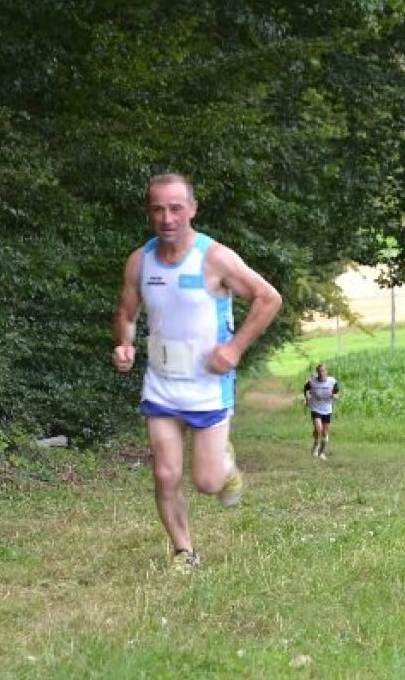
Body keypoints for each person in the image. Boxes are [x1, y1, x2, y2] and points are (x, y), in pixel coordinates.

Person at [112, 173, 282, 572]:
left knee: (208, 483)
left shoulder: (215, 258)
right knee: (165, 474)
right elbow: (126, 313)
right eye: (158, 209)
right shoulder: (140, 261)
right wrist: (124, 344)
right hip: (161, 385)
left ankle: (225, 466)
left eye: (176, 208)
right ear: (149, 212)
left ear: (192, 209)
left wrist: (234, 349)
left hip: (207, 385)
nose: (167, 218)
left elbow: (269, 298)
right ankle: (184, 552)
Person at [303, 363, 339, 460]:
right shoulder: (312, 382)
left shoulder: (332, 381)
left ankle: (321, 452)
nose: (321, 373)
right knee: (318, 429)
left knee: (324, 433)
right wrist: (307, 398)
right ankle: (316, 445)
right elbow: (306, 389)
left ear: (327, 371)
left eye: (323, 371)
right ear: (317, 372)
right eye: (319, 371)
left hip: (327, 409)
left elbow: (337, 395)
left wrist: (333, 396)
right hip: (316, 408)